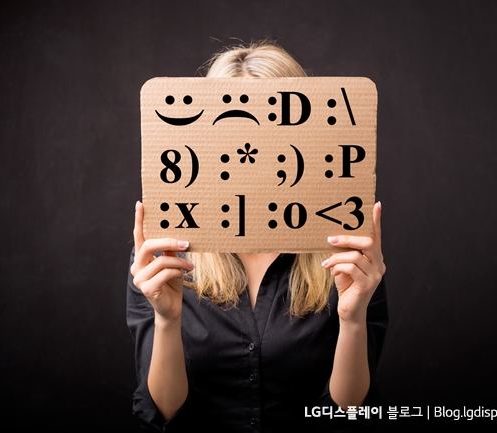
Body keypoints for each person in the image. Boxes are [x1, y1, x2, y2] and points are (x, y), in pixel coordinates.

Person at [127, 42, 387, 432]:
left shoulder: (348, 252)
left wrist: (352, 322)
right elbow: (161, 416)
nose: (250, 154)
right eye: (234, 132)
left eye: (274, 132)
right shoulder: (164, 253)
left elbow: (347, 417)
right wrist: (166, 320)